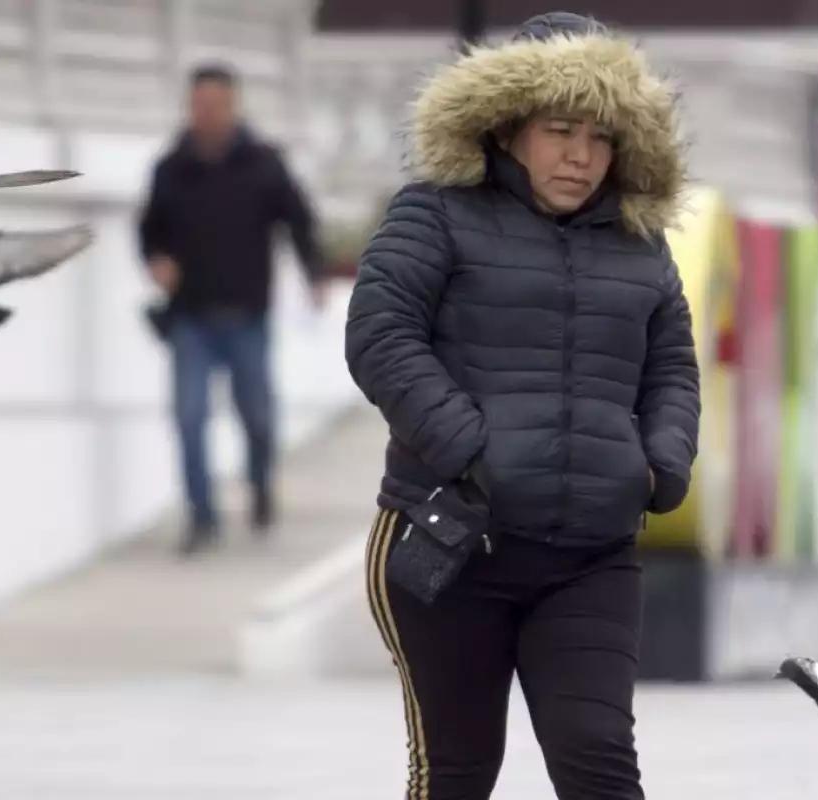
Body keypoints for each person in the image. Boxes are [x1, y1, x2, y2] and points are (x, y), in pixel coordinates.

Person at [345, 12, 700, 800]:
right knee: (458, 773)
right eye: (560, 129)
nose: (581, 156)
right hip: (451, 542)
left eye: (601, 137)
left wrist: (660, 465)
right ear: (507, 129)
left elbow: (672, 365)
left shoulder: (641, 244)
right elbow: (379, 336)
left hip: (591, 556)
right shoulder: (432, 212)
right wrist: (476, 451)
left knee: (599, 758)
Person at [139, 64, 325, 555]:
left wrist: (313, 274)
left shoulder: (264, 163)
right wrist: (156, 260)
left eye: (216, 104)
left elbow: (299, 221)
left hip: (247, 316)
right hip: (190, 320)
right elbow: (149, 231)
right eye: (199, 105)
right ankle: (202, 517)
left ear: (234, 106)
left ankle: (260, 485)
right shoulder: (170, 168)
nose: (207, 113)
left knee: (258, 418)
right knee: (189, 417)